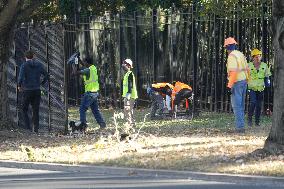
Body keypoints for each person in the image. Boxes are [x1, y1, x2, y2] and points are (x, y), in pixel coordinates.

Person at [18, 50, 48, 133]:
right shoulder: (39, 65)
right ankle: (36, 129)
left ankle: (28, 128)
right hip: (37, 90)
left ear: (25, 57)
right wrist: (42, 83)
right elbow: (46, 75)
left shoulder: (24, 65)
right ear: (33, 56)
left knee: (24, 109)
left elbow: (20, 77)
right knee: (36, 110)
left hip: (27, 90)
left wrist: (19, 86)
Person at [224, 37, 249, 133]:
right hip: (243, 81)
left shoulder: (231, 56)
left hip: (236, 82)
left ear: (227, 47)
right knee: (241, 105)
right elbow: (247, 68)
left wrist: (229, 86)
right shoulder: (240, 54)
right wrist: (247, 79)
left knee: (237, 106)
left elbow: (233, 72)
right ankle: (241, 126)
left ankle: (240, 128)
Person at [73, 57, 106, 130]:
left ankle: (83, 126)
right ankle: (102, 124)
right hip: (95, 93)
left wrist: (74, 64)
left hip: (89, 93)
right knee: (95, 110)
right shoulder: (93, 68)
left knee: (82, 109)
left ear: (87, 63)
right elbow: (84, 67)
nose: (83, 64)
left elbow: (75, 73)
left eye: (84, 62)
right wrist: (79, 60)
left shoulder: (88, 70)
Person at [247, 49, 271, 126]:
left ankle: (257, 122)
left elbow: (267, 75)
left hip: (261, 88)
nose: (258, 58)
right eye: (256, 57)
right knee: (253, 102)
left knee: (259, 106)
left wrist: (268, 81)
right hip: (251, 88)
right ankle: (249, 119)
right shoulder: (248, 65)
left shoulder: (264, 65)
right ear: (252, 57)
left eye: (259, 56)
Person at [122, 58, 138, 132]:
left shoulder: (130, 74)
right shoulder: (127, 74)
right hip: (129, 96)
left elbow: (130, 86)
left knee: (127, 111)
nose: (123, 65)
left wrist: (127, 98)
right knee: (129, 111)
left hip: (130, 96)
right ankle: (132, 125)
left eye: (124, 64)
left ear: (128, 65)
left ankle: (129, 126)